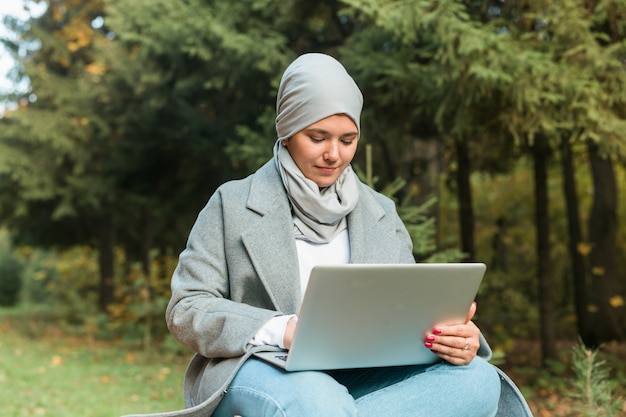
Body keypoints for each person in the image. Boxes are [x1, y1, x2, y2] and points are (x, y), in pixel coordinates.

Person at [127, 53, 533, 417]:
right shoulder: (232, 203)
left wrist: (457, 339)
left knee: (479, 381)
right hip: (260, 366)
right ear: (287, 132)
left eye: (347, 139)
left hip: (363, 373)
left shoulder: (380, 213)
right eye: (317, 137)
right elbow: (187, 309)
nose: (333, 154)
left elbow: (407, 315)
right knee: (315, 397)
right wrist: (282, 329)